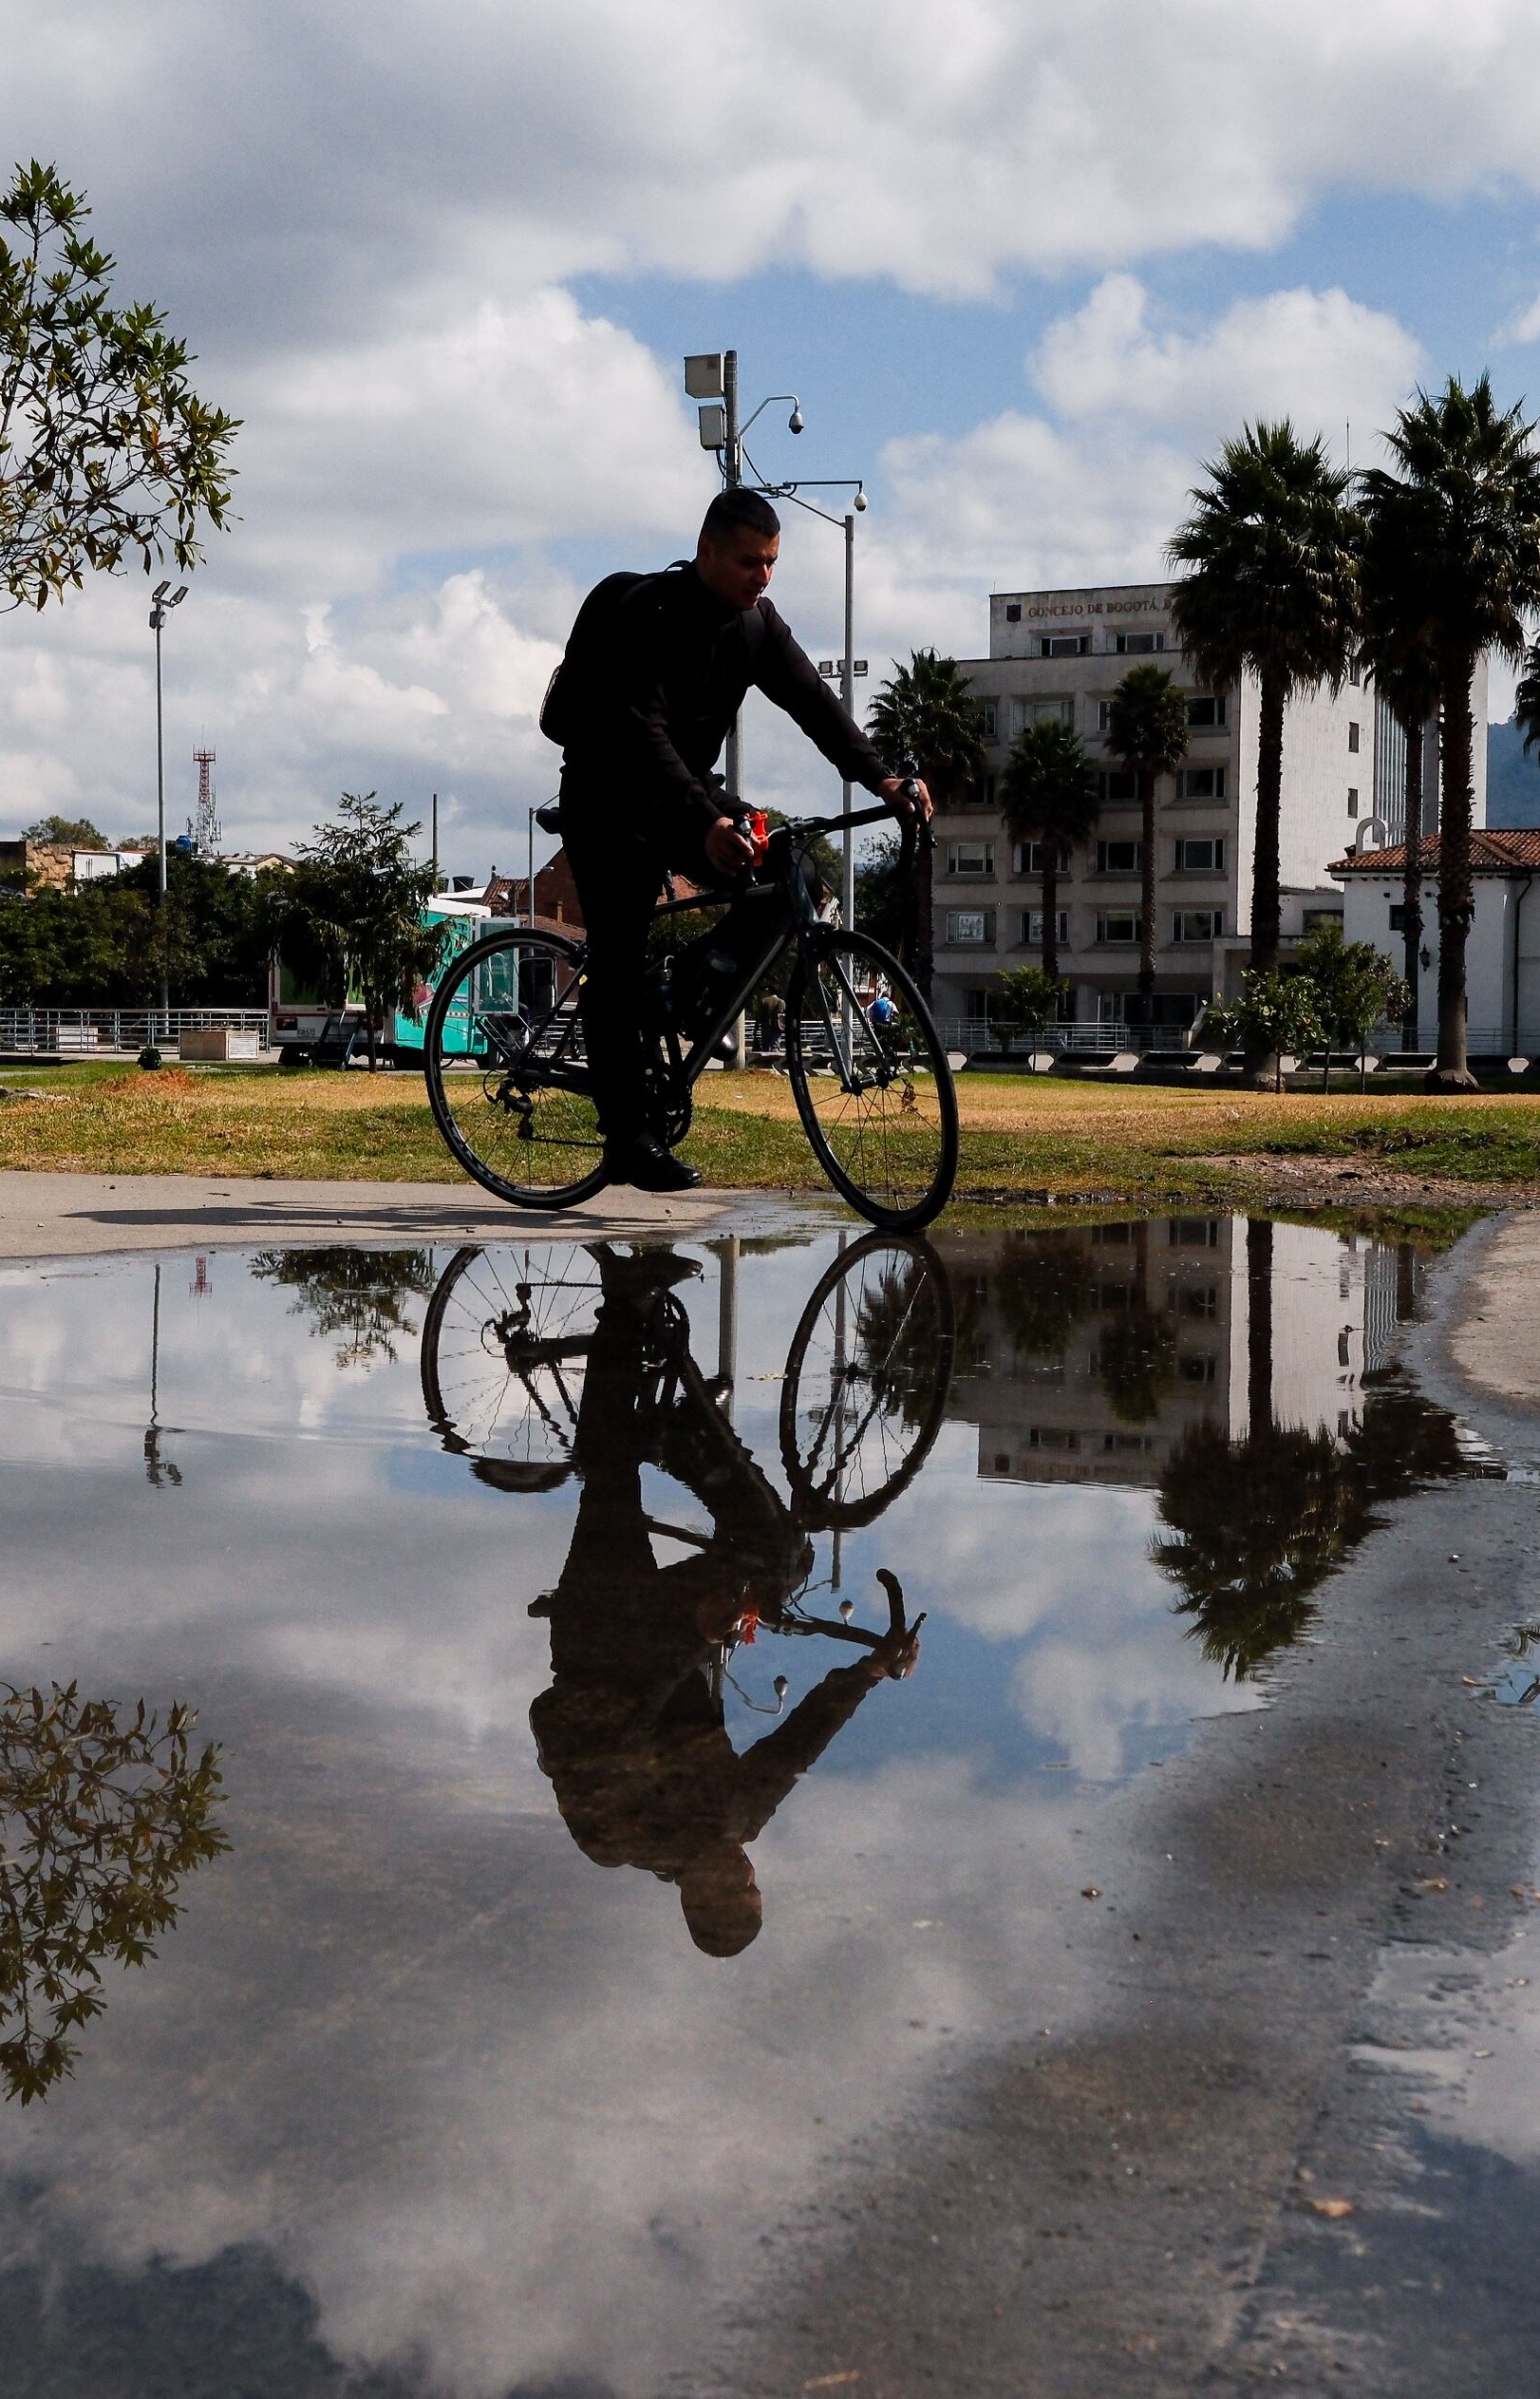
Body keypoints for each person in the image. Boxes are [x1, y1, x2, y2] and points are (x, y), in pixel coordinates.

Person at [529, 1247, 918, 1956]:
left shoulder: (615, 1837)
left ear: (691, 1900)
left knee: (612, 1486)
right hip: (661, 1630)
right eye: (751, 1887)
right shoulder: (739, 1816)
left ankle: (625, 1309)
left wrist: (692, 1638)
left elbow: (584, 1723)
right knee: (778, 1558)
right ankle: (679, 1428)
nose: (742, 1874)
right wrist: (865, 1675)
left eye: (728, 1892)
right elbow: (797, 1747)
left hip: (600, 1636)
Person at [547, 487, 930, 1193]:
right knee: (621, 954)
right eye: (751, 562)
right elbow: (644, 733)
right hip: (608, 796)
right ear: (708, 552)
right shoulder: (648, 615)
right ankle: (626, 1138)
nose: (763, 577)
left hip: (684, 791)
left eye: (773, 563)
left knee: (793, 877)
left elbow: (814, 702)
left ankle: (688, 993)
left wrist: (882, 780)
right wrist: (706, 822)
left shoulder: (758, 625)